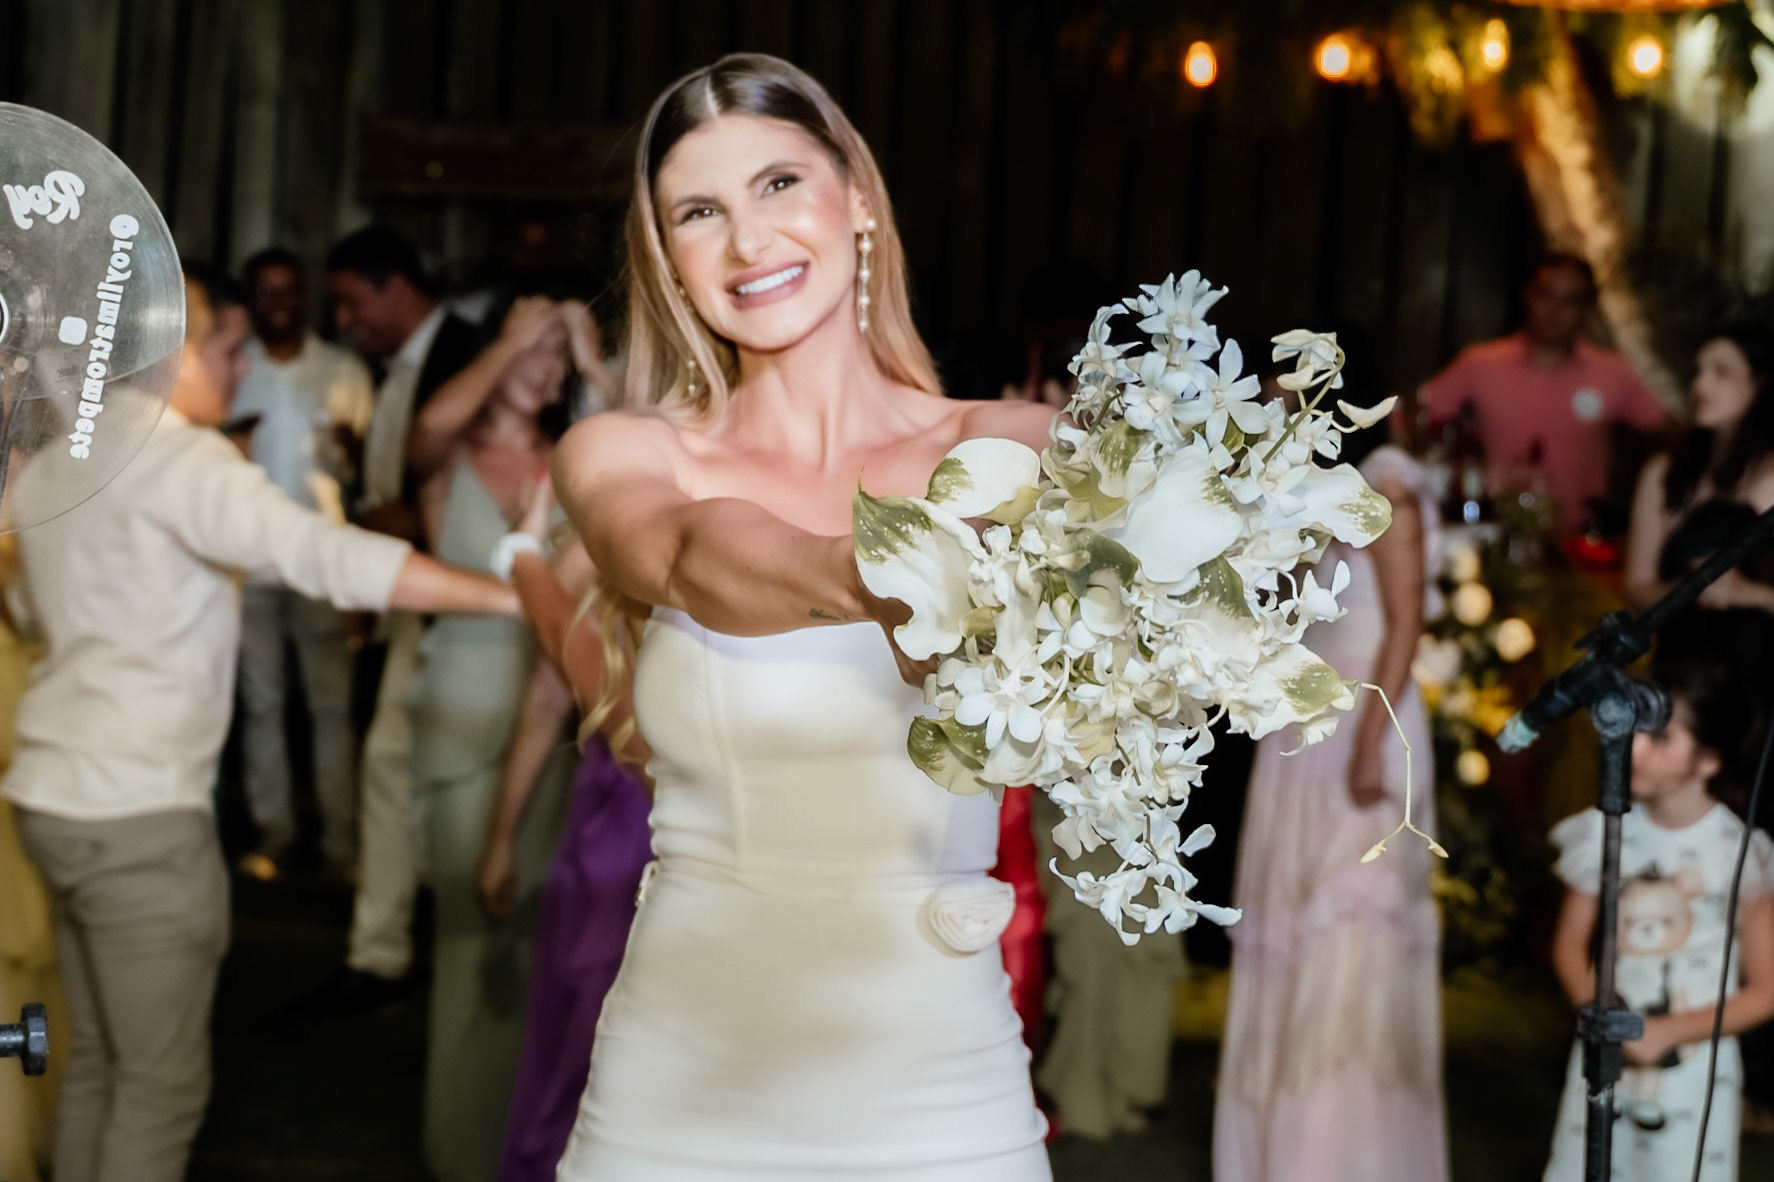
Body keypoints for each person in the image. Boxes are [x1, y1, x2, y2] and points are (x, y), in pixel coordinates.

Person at [550, 53, 1054, 1180]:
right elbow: (688, 554)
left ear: (857, 198)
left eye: (779, 184)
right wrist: (878, 577)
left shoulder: (1014, 449)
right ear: (666, 257)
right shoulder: (626, 454)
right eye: (699, 212)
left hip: (943, 1091)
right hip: (677, 1091)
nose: (748, 240)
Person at [0, 265, 519, 1182]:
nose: (242, 370)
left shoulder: (58, 463)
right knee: (159, 1089)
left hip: (51, 798)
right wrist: (509, 597)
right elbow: (324, 556)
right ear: (169, 350)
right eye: (229, 348)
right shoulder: (181, 457)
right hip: (137, 814)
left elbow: (29, 613)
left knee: (98, 1065)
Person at [1215, 360, 1449, 1182]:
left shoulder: (1388, 488)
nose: (1272, 410)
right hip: (1304, 718)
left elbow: (1405, 622)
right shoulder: (1313, 492)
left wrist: (1370, 744)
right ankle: (1280, 1149)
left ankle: (1342, 1155)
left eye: (1287, 398)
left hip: (1363, 719)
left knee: (1351, 929)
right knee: (1294, 926)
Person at [401, 293, 584, 1182]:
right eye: (529, 347)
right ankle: (460, 1154)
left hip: (556, 731)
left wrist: (590, 354)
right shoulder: (449, 457)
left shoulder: (579, 456)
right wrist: (509, 339)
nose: (545, 366)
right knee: (470, 945)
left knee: (545, 948)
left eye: (558, 353)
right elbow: (429, 427)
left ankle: (527, 1152)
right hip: (461, 719)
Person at [304, 225, 483, 1012]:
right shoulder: (392, 367)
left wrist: (394, 527)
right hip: (408, 596)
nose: (345, 322)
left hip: (466, 599)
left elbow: (475, 482)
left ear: (395, 286)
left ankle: (409, 949)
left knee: (413, 769)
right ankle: (383, 949)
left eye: (351, 302)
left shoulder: (471, 353)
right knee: (391, 767)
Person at [1543, 658, 1774, 1181]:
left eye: (1662, 738)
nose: (1636, 748)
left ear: (1709, 760)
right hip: (1604, 1056)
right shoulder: (1603, 830)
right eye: (1637, 729)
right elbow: (1569, 946)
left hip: (1694, 1068)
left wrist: (1666, 1032)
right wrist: (1604, 1023)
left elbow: (1765, 990)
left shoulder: (1739, 852)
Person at [489, 489, 653, 1182]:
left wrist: (523, 554)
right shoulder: (615, 529)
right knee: (585, 1036)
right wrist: (501, 836)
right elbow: (551, 686)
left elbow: (558, 636)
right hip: (617, 818)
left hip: (662, 811)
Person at [230, 245, 375, 876]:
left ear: (305, 295)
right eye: (266, 291)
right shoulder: (234, 369)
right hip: (248, 559)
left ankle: (341, 842)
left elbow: (370, 473)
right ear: (250, 300)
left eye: (289, 290)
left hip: (321, 560)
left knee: (331, 706)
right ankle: (274, 834)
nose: (280, 303)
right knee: (261, 704)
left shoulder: (342, 370)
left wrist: (352, 450)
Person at [1421, 254, 1669, 538]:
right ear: (1528, 295)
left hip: (1578, 541)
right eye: (1546, 295)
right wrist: (1460, 468)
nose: (1554, 310)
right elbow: (1412, 421)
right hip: (1490, 531)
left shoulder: (1613, 373)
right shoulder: (1479, 364)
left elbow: (1671, 435)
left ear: (1588, 308)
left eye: (1570, 301)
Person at [1625, 326, 1774, 615]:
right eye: (1698, 371)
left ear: (1761, 384)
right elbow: (1636, 589)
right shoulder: (1664, 471)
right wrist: (1691, 589)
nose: (1700, 383)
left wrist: (1752, 594)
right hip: (1681, 641)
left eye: (1721, 371)